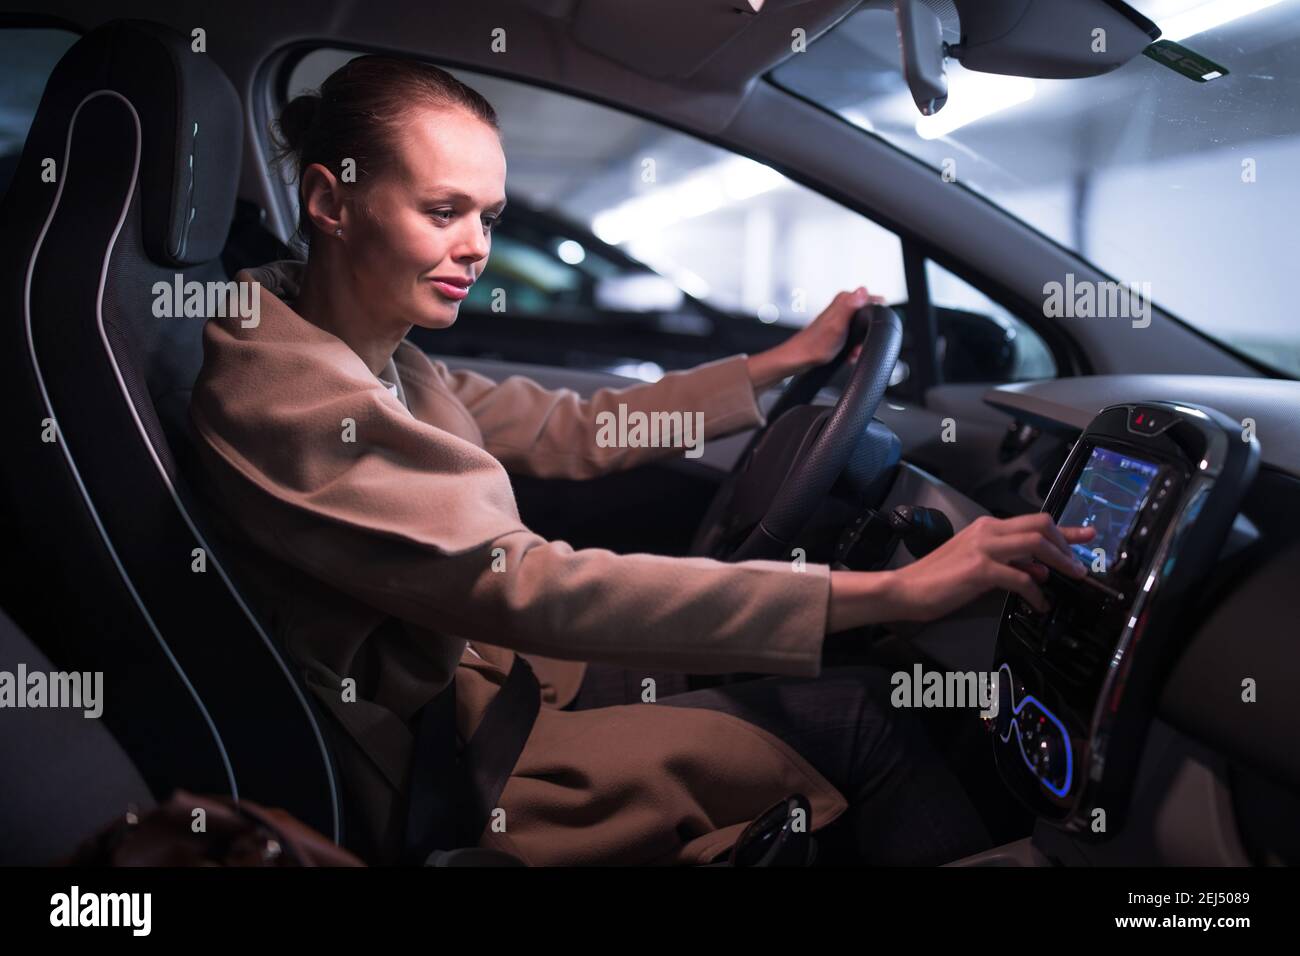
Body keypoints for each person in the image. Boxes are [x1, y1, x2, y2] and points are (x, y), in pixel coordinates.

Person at [188, 55, 1095, 866]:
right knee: (868, 722)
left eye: (489, 216)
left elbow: (574, 428)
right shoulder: (290, 399)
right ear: (330, 202)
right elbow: (534, 589)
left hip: (500, 684)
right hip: (461, 767)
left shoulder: (359, 345)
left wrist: (777, 365)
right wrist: (894, 593)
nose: (477, 247)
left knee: (827, 683)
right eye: (443, 211)